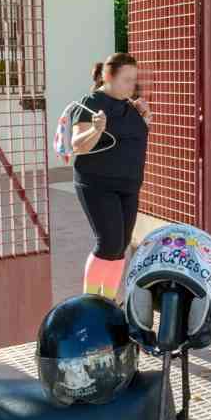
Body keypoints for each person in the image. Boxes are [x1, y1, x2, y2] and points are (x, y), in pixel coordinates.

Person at [71, 53, 151, 300]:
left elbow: (134, 139)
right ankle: (89, 303)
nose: (131, 85)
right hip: (97, 183)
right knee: (107, 243)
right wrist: (96, 129)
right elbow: (78, 145)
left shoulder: (131, 106)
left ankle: (108, 302)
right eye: (126, 80)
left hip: (128, 185)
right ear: (108, 77)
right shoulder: (91, 103)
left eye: (133, 80)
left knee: (120, 247)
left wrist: (145, 118)